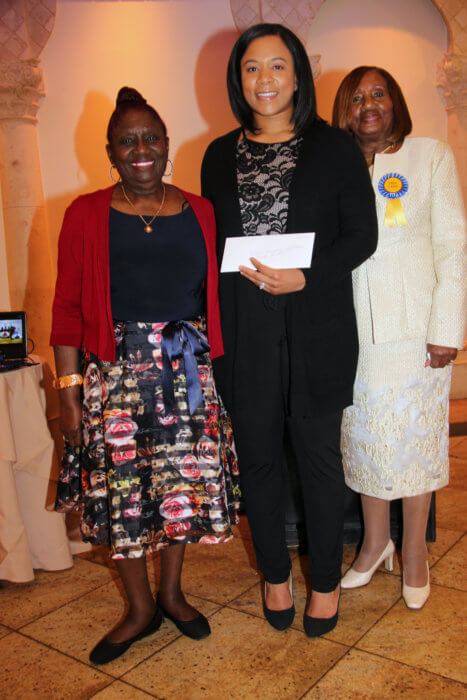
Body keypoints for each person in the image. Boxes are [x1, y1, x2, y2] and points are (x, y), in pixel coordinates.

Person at [51, 87, 239, 664]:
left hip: (186, 371)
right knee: (123, 493)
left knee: (179, 486)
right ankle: (137, 609)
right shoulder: (85, 213)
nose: (140, 149)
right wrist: (69, 393)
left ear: (166, 146)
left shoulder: (201, 211)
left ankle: (173, 594)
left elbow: (216, 293)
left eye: (150, 138)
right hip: (116, 373)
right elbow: (67, 309)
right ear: (110, 153)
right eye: (127, 141)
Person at [201, 24, 377, 637]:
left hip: (317, 323)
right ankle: (276, 573)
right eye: (252, 68)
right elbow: (212, 245)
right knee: (257, 459)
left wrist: (308, 275)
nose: (265, 80)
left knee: (319, 459)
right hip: (245, 329)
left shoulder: (334, 149)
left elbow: (362, 236)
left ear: (299, 75)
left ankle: (323, 582)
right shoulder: (218, 155)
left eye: (278, 66)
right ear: (238, 79)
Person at [332, 67, 466, 609]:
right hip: (351, 333)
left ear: (395, 102)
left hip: (416, 334)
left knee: (413, 443)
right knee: (364, 438)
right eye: (357, 96)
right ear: (344, 110)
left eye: (378, 93)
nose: (368, 104)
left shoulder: (430, 155)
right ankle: (374, 543)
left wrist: (447, 330)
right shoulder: (334, 166)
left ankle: (413, 550)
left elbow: (453, 250)